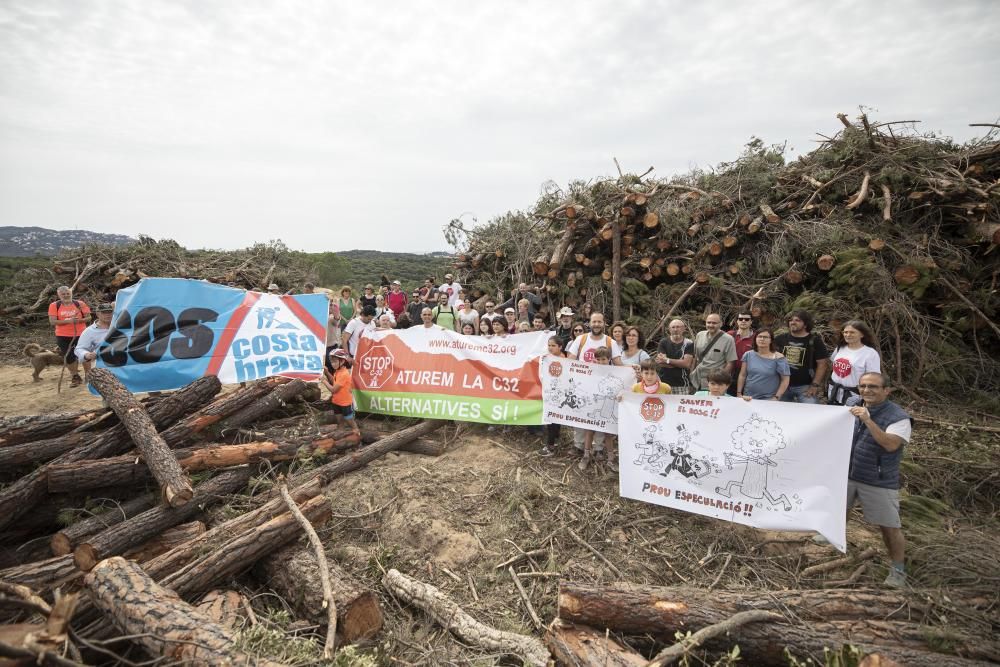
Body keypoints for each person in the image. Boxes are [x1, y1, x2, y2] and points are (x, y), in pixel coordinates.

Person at [844, 372, 912, 588]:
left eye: (873, 386)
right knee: (837, 510)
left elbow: (890, 444)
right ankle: (833, 540)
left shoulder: (899, 417)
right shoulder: (853, 403)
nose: (866, 390)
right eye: (863, 386)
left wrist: (868, 419)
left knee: (889, 526)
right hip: (847, 473)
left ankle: (898, 569)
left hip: (878, 479)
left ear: (886, 390)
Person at [566, 312, 623, 459]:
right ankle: (578, 445)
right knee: (579, 415)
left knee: (600, 415)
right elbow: (570, 360)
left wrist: (632, 370)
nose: (596, 324)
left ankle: (598, 448)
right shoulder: (581, 339)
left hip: (603, 386)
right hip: (583, 385)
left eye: (599, 322)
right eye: (594, 322)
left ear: (604, 323)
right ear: (589, 323)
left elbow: (618, 364)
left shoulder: (610, 342)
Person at [775, 310, 830, 404]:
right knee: (779, 413)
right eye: (791, 320)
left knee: (811, 412)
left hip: (805, 387)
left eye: (798, 320)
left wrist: (815, 385)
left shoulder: (815, 341)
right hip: (781, 384)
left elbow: (822, 364)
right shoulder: (780, 339)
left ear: (805, 324)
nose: (793, 322)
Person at [579, 346, 619, 472]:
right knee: (589, 430)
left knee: (608, 433)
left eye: (604, 359)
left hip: (608, 406)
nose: (601, 362)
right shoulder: (591, 371)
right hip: (593, 405)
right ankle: (586, 456)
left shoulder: (616, 372)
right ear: (595, 359)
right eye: (599, 359)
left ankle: (611, 459)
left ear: (609, 359)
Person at [828, 320, 881, 406]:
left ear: (862, 335)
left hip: (854, 395)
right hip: (834, 391)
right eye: (845, 332)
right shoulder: (840, 348)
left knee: (852, 418)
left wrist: (868, 396)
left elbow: (874, 378)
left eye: (852, 332)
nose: (848, 335)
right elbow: (832, 365)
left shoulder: (870, 353)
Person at [48, 285, 91, 387]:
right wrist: (67, 321)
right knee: (68, 357)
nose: (66, 295)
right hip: (63, 335)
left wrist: (79, 320)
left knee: (85, 355)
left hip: (81, 334)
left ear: (71, 293)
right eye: (63, 294)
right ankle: (75, 377)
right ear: (59, 295)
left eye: (68, 293)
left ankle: (89, 376)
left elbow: (89, 318)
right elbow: (52, 322)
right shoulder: (54, 305)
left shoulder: (79, 304)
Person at [736, 329, 791, 400]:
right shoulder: (748, 355)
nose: (762, 339)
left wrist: (776, 397)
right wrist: (739, 393)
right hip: (748, 397)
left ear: (771, 340)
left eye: (765, 337)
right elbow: (742, 375)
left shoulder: (779, 358)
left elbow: (785, 380)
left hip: (769, 399)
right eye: (759, 336)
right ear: (755, 339)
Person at [689, 313, 737, 392]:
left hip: (715, 381)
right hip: (697, 378)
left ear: (721, 324)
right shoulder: (699, 335)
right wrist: (691, 373)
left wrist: (721, 380)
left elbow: (730, 363)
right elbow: (695, 357)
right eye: (709, 322)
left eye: (714, 323)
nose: (711, 325)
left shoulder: (728, 339)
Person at [321, 349, 360, 436]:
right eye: (331, 361)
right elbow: (333, 381)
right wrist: (327, 373)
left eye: (335, 361)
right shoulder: (337, 372)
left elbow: (333, 389)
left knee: (350, 421)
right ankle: (340, 436)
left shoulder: (344, 374)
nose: (332, 364)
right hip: (336, 402)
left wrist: (324, 381)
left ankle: (357, 433)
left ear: (342, 361)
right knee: (339, 421)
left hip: (345, 403)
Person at [541, 336, 566, 457]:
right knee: (553, 420)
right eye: (549, 345)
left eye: (553, 345)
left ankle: (550, 446)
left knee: (552, 420)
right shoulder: (549, 358)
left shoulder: (563, 360)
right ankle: (555, 439)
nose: (550, 348)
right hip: (550, 393)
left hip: (558, 395)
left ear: (560, 347)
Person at [656, 319, 695, 394]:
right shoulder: (663, 342)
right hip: (663, 383)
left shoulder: (688, 343)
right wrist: (680, 363)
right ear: (669, 329)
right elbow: (661, 363)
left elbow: (686, 364)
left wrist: (667, 360)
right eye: (673, 327)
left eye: (678, 327)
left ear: (683, 329)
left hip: (682, 384)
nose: (675, 329)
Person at [74, 302, 114, 373]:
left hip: (123, 366)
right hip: (103, 368)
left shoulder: (120, 327)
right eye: (104, 312)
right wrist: (86, 355)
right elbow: (79, 349)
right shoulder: (89, 331)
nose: (108, 315)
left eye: (110, 312)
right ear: (97, 314)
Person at [727, 312, 756, 395]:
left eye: (747, 319)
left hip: (748, 374)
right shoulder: (730, 335)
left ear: (751, 321)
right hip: (729, 372)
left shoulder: (756, 337)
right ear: (737, 321)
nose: (743, 321)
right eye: (740, 319)